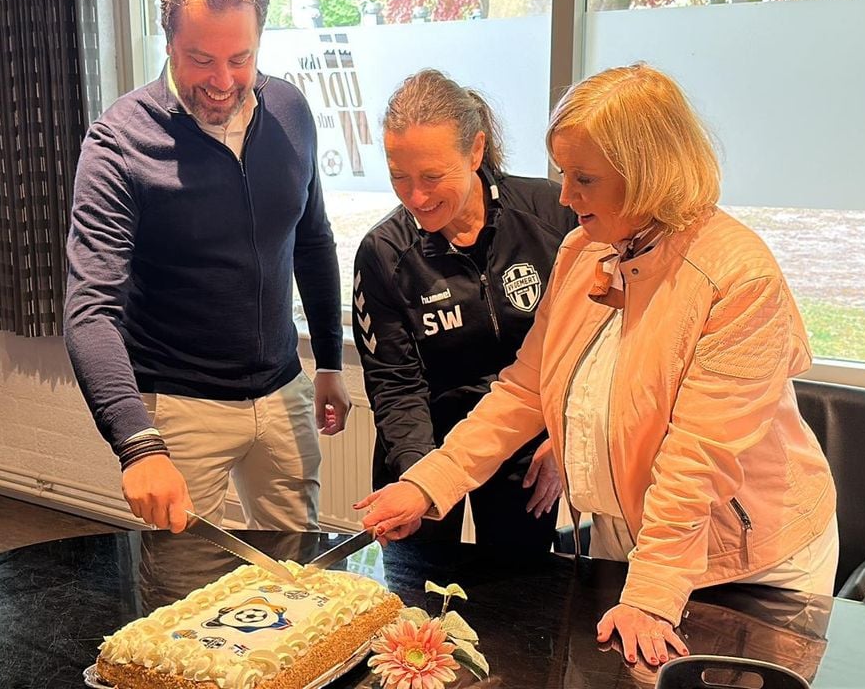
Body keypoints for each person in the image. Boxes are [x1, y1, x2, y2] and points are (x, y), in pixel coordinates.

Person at [357, 63, 838, 667]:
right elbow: (525, 389)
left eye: (584, 178)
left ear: (647, 176)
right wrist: (431, 481)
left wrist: (653, 592)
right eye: (564, 174)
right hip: (636, 541)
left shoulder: (738, 276)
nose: (563, 196)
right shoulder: (586, 251)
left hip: (751, 560)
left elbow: (698, 457)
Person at [65, 0, 351, 534]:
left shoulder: (290, 111)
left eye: (239, 58)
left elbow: (312, 239)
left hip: (282, 390)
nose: (222, 80)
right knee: (183, 593)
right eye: (200, 59)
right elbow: (88, 311)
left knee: (298, 576)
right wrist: (137, 444)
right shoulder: (118, 142)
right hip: (179, 407)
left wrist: (330, 364)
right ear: (168, 41)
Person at [352, 69, 576, 545]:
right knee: (416, 596)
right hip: (424, 443)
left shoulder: (554, 215)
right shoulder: (384, 253)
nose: (416, 197)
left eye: (433, 176)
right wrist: (419, 480)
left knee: (520, 595)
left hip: (524, 442)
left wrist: (564, 435)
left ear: (475, 151)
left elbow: (590, 345)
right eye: (399, 177)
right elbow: (395, 383)